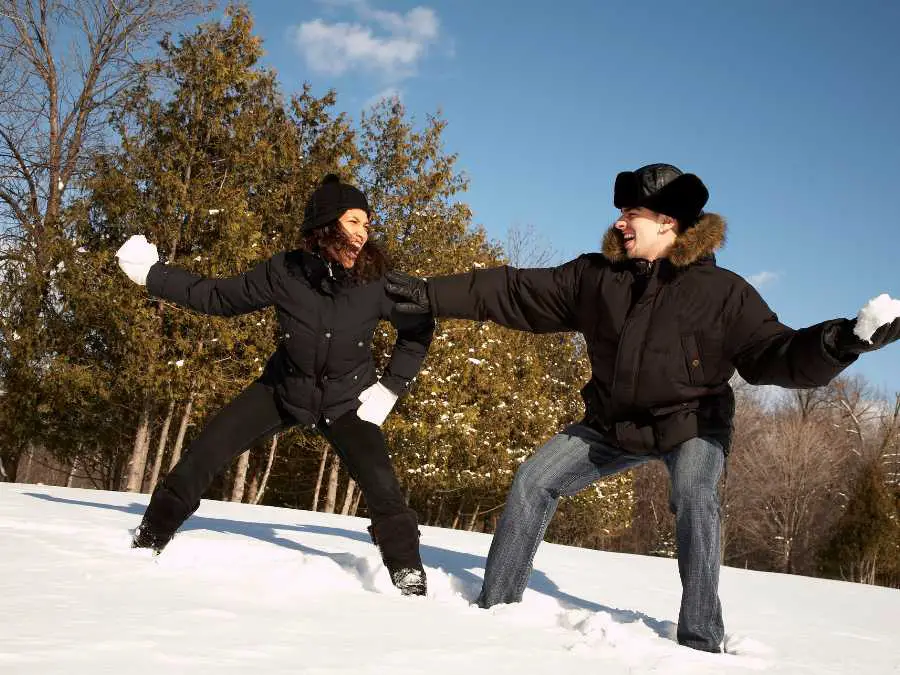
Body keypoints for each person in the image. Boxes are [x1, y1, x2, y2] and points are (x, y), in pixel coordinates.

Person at [385, 163, 900, 648]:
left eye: (632, 213)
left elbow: (775, 354)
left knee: (695, 494)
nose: (620, 223)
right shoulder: (597, 278)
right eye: (622, 212)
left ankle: (700, 641)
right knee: (534, 480)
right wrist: (432, 294)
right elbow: (515, 290)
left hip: (691, 425)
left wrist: (840, 342)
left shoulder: (724, 294)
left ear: (668, 222)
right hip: (612, 423)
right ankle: (496, 608)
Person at [116, 173, 435, 596]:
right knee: (206, 451)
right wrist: (153, 275)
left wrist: (391, 386)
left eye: (366, 224)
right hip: (283, 389)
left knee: (383, 485)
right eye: (353, 221)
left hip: (348, 401)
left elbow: (418, 329)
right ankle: (150, 536)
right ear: (326, 225)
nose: (362, 233)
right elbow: (219, 297)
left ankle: (408, 575)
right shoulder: (285, 271)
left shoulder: (377, 281)